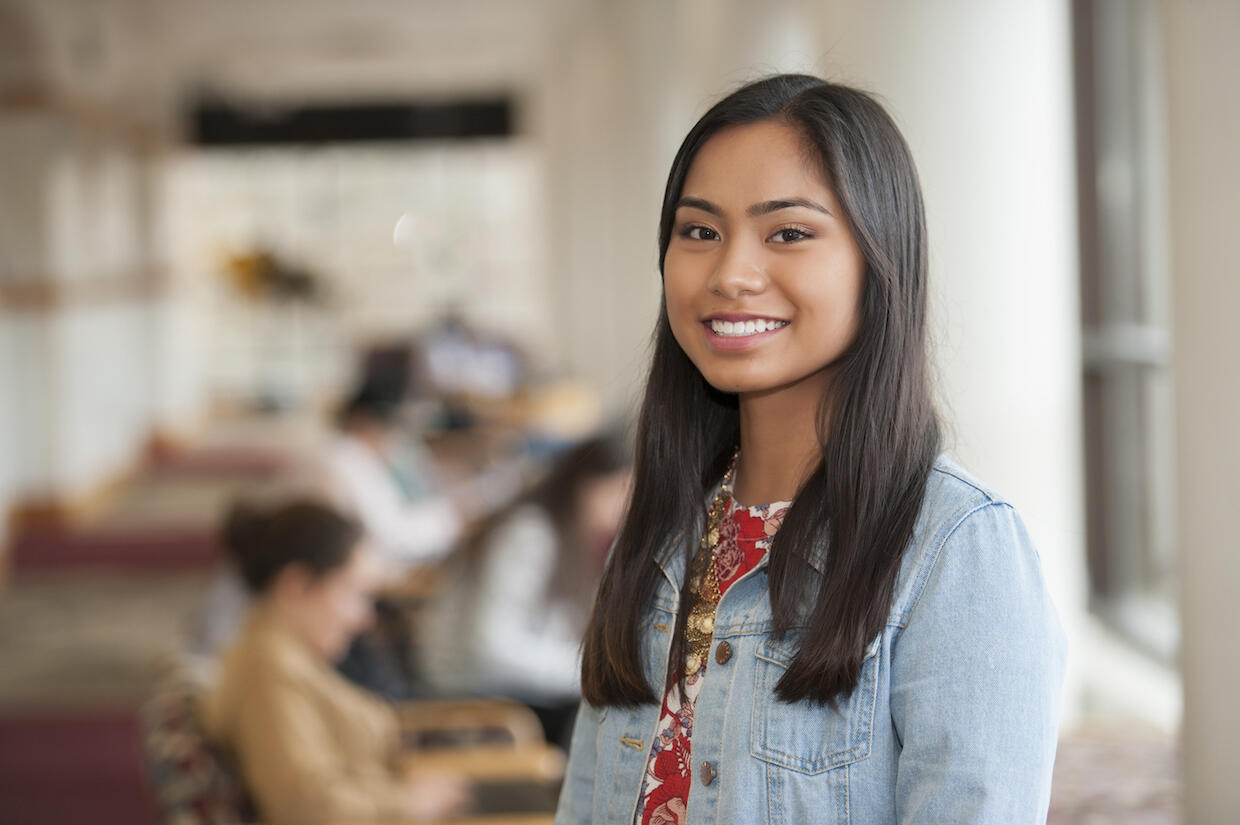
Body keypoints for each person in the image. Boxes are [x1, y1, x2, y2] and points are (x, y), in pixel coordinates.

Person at [555, 75, 1067, 825]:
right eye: (699, 231)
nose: (730, 273)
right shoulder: (664, 532)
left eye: (788, 232)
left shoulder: (957, 550)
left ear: (877, 259)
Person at [200, 499, 469, 824]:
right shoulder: (268, 672)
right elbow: (307, 809)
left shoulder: (281, 654)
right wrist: (409, 803)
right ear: (295, 586)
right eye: (354, 593)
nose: (364, 619)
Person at [418, 433, 632, 749]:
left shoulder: (576, 539)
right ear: (584, 485)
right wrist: (584, 670)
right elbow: (491, 648)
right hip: (466, 690)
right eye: (619, 491)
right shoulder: (530, 533)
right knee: (599, 719)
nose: (624, 509)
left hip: (504, 688)